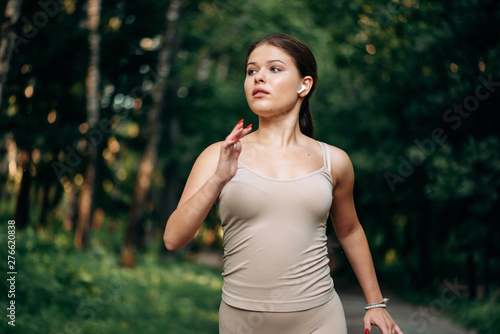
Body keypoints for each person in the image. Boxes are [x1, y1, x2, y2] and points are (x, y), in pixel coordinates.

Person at [164, 33, 403, 334]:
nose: (259, 77)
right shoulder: (218, 156)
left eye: (274, 69)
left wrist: (375, 304)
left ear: (305, 84)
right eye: (252, 71)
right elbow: (173, 239)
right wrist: (218, 179)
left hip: (320, 319)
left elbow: (350, 230)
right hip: (243, 323)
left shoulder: (335, 161)